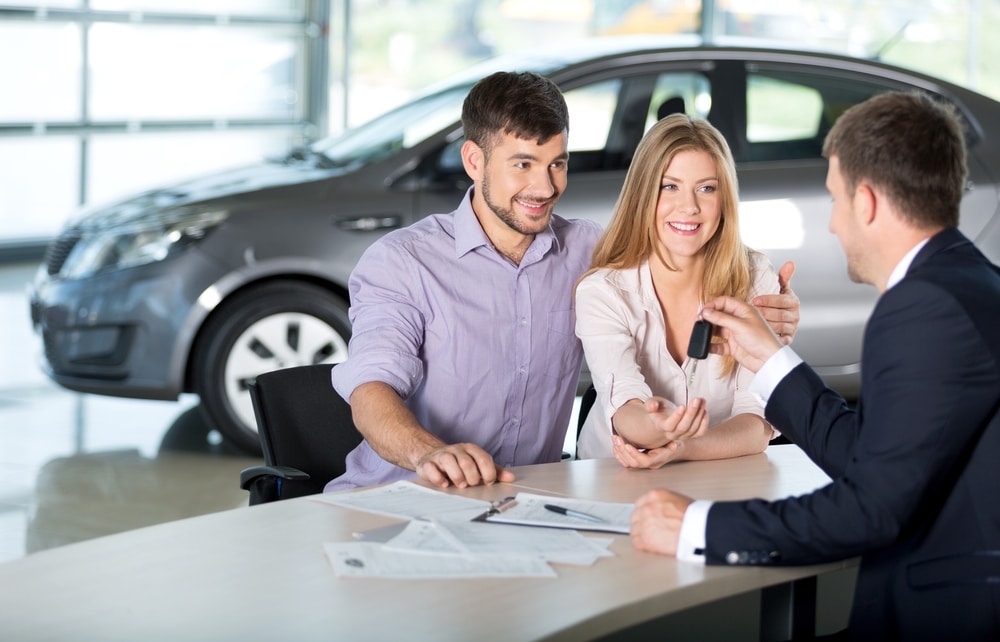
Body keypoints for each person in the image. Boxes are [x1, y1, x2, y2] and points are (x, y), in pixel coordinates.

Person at [630, 91, 1000, 640]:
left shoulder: (923, 308)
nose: (831, 225)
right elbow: (870, 454)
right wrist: (772, 358)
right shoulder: (969, 280)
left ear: (868, 202)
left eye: (834, 200)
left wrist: (697, 525)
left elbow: (870, 508)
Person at [326, 71, 801, 492]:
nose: (546, 186)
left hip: (527, 502)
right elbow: (371, 388)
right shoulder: (403, 261)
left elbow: (676, 256)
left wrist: (777, 321)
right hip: (401, 494)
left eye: (558, 163)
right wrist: (427, 452)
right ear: (474, 161)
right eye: (523, 164)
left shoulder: (592, 254)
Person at [575, 114, 784, 465]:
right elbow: (625, 406)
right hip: (616, 473)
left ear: (724, 199)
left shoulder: (755, 278)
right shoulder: (603, 291)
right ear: (644, 195)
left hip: (717, 471)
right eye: (669, 186)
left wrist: (680, 448)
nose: (689, 207)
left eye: (706, 188)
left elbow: (758, 421)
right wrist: (658, 425)